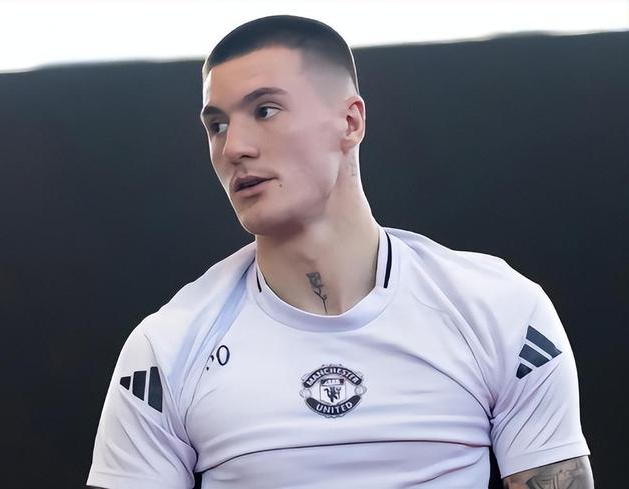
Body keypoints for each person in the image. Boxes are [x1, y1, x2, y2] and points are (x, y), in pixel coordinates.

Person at [86, 14, 593, 489]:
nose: (234, 146)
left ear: (350, 122)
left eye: (265, 110)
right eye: (217, 125)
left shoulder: (500, 310)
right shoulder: (166, 350)